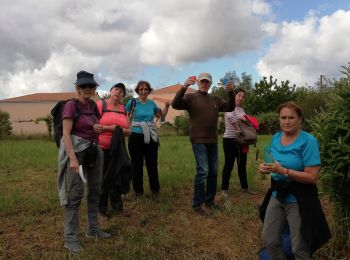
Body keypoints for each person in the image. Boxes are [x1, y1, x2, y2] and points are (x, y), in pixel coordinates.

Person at [258, 102, 331, 259]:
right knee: (269, 239)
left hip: (299, 198)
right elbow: (272, 163)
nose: (287, 121)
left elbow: (312, 177)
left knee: (299, 247)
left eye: (291, 117)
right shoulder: (276, 138)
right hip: (277, 195)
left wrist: (284, 171)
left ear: (300, 119)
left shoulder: (308, 141)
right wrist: (264, 168)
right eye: (283, 117)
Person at [57, 71, 110, 254]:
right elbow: (66, 133)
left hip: (94, 151)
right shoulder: (72, 105)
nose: (88, 89)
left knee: (95, 191)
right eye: (84, 86)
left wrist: (98, 128)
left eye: (91, 86)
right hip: (77, 154)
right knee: (75, 196)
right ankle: (70, 239)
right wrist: (72, 158)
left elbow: (94, 127)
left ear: (95, 88)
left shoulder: (94, 106)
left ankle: (93, 229)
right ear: (78, 87)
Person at [172, 73, 234, 213]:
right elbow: (175, 104)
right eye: (202, 81)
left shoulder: (215, 99)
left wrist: (230, 92)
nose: (204, 84)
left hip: (212, 140)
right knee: (203, 171)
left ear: (211, 83)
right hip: (198, 140)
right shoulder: (190, 97)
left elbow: (230, 107)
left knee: (213, 171)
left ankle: (210, 201)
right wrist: (184, 86)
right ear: (198, 83)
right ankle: (197, 204)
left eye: (207, 82)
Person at [125, 80, 170, 200]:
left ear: (149, 91)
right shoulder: (132, 102)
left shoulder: (152, 104)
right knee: (136, 165)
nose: (143, 91)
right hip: (135, 135)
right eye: (141, 89)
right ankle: (138, 192)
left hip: (150, 135)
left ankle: (155, 191)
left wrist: (166, 106)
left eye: (145, 89)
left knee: (152, 164)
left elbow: (161, 116)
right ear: (138, 91)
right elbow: (125, 116)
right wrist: (126, 129)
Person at [93, 83, 131, 218]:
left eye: (122, 91)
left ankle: (117, 206)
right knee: (103, 178)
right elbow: (94, 126)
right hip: (101, 148)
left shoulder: (123, 109)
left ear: (123, 96)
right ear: (110, 91)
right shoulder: (100, 105)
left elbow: (128, 131)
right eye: (116, 89)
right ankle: (101, 209)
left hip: (118, 149)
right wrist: (113, 128)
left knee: (116, 176)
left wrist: (111, 128)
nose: (118, 92)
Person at [221, 88, 256, 196]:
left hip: (241, 140)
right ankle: (224, 189)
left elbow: (247, 123)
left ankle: (245, 188)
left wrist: (247, 124)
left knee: (242, 165)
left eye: (243, 96)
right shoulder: (228, 107)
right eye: (239, 95)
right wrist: (240, 126)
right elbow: (232, 118)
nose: (241, 98)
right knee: (229, 164)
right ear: (234, 95)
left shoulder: (241, 110)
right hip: (229, 140)